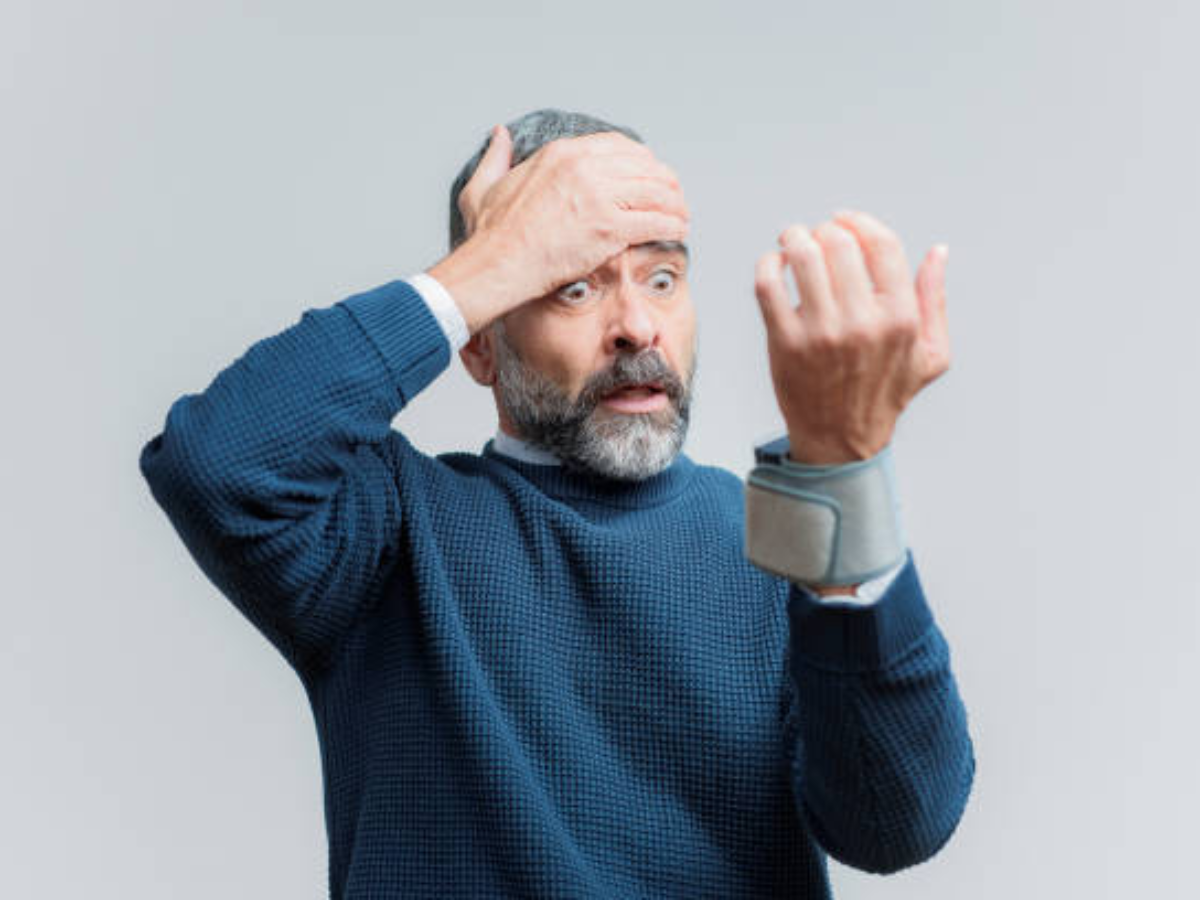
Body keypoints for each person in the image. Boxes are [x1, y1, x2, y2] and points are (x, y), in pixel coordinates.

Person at [139, 107, 975, 899]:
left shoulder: (779, 537)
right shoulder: (386, 535)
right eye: (572, 286)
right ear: (480, 343)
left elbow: (897, 823)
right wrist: (484, 267)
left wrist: (840, 478)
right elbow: (216, 463)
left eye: (661, 277)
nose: (637, 326)